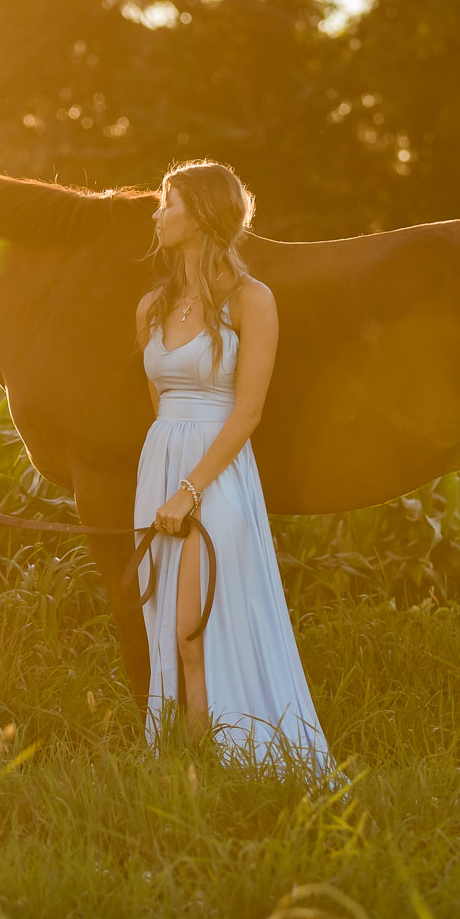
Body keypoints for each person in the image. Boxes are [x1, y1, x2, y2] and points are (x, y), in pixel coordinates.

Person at [132, 161, 334, 777]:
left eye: (170, 204)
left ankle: (226, 758)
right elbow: (162, 405)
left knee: (194, 626)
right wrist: (165, 485)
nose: (158, 214)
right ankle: (195, 762)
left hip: (215, 473)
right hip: (160, 464)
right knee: (167, 627)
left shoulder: (252, 301)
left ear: (203, 214)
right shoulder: (150, 307)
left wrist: (190, 490)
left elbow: (248, 412)